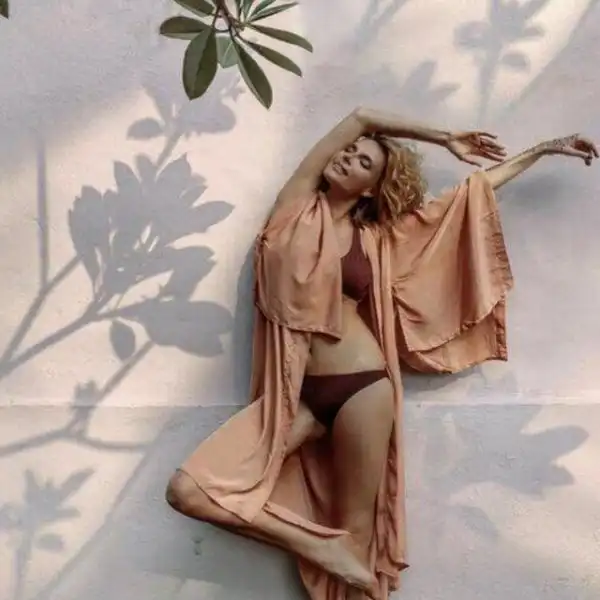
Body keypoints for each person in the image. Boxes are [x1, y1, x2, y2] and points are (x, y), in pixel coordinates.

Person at [165, 107, 598, 600]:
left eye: (363, 161)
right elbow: (360, 116)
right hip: (296, 398)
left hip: (364, 389)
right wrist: (443, 136)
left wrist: (540, 150)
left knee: (359, 546)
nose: (348, 157)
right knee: (190, 490)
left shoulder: (377, 240)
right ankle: (318, 545)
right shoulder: (294, 209)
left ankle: (340, 554)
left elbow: (464, 201)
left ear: (371, 189)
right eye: (349, 151)